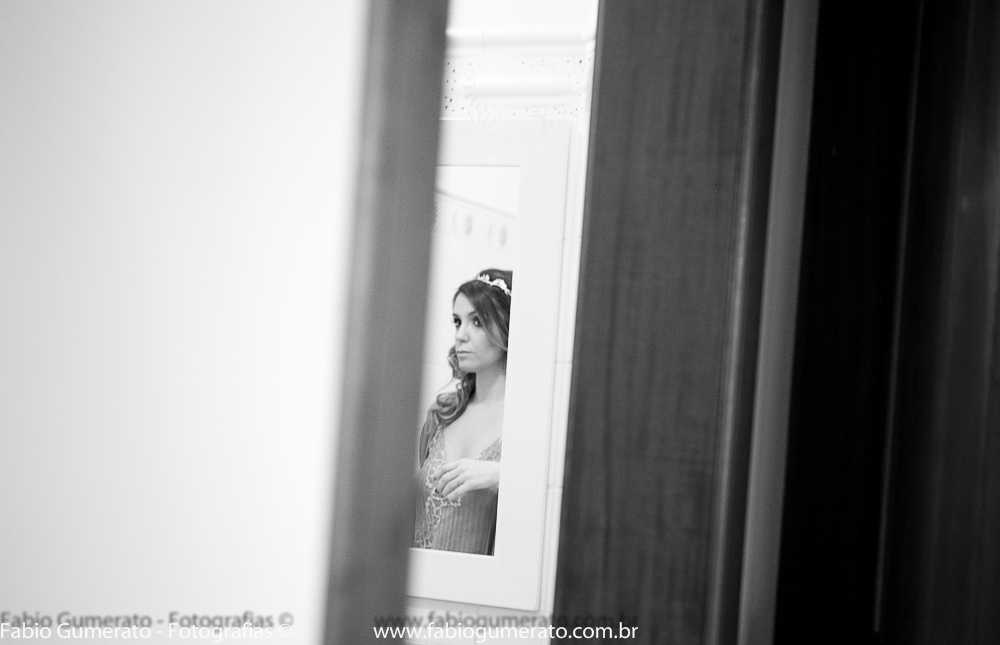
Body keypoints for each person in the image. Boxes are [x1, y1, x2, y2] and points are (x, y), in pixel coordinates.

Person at [413, 268, 512, 555]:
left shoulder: (524, 425)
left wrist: (501, 475)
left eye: (477, 321)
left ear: (506, 327)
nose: (460, 336)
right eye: (457, 321)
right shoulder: (442, 413)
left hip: (484, 582)